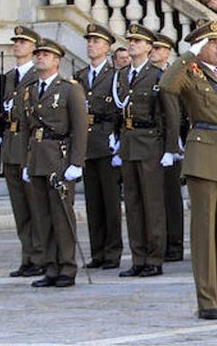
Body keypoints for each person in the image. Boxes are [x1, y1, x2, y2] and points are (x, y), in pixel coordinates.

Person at [159, 20, 217, 320]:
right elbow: (166, 85)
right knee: (204, 233)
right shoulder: (190, 73)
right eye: (212, 44)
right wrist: (188, 55)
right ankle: (207, 299)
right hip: (204, 155)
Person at [112, 24, 181, 278]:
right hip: (129, 143)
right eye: (130, 41)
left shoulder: (158, 75)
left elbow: (170, 114)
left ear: (149, 48)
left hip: (151, 143)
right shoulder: (122, 75)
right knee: (132, 203)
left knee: (153, 203)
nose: (132, 44)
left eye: (138, 42)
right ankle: (138, 256)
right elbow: (118, 112)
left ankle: (154, 257)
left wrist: (170, 148)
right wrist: (116, 140)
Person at [21, 38, 88, 288]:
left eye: (45, 55)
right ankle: (50, 266)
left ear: (57, 60)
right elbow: (28, 130)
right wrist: (27, 163)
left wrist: (76, 162)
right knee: (42, 217)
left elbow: (80, 128)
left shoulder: (69, 89)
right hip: (37, 157)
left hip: (59, 158)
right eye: (38, 54)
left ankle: (67, 268)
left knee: (61, 217)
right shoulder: (30, 90)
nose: (40, 58)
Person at [0, 26, 43, 277]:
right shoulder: (10, 76)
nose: (17, 45)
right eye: (16, 42)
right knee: (20, 208)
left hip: (27, 146)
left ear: (34, 47)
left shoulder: (37, 75)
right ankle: (28, 256)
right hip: (11, 147)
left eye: (23, 42)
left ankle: (41, 255)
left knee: (35, 205)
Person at [74, 23, 123, 271]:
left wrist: (117, 138)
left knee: (110, 201)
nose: (91, 45)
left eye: (96, 41)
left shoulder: (115, 76)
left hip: (106, 141)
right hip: (87, 143)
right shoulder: (80, 77)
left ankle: (113, 251)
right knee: (92, 202)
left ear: (107, 47)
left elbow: (119, 110)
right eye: (89, 41)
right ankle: (98, 251)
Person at [150, 32, 186, 262]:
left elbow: (179, 112)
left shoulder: (175, 75)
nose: (154, 52)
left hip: (173, 139)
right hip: (153, 139)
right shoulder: (149, 75)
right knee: (156, 196)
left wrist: (176, 143)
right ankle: (161, 242)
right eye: (152, 48)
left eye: (159, 49)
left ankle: (175, 243)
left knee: (172, 196)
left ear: (168, 52)